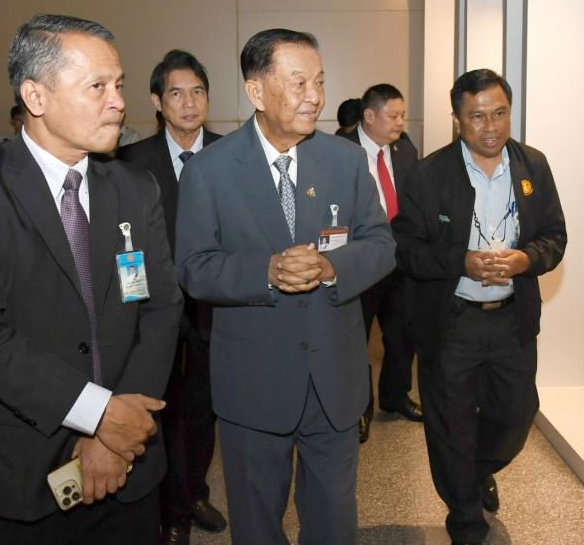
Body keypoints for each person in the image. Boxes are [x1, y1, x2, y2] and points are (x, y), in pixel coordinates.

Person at [0, 13, 183, 544]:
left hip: (129, 469)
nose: (118, 102)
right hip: (15, 474)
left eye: (119, 85)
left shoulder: (136, 189)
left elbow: (160, 309)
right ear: (36, 96)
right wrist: (99, 415)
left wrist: (118, 432)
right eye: (97, 86)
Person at [176, 28, 395, 545]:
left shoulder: (344, 161)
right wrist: (266, 272)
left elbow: (381, 245)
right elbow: (193, 267)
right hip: (253, 385)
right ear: (256, 91)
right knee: (256, 525)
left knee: (334, 524)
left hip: (334, 381)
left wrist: (332, 267)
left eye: (319, 81)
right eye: (299, 83)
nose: (314, 96)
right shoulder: (209, 171)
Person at [392, 69, 566, 545]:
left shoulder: (533, 166)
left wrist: (526, 259)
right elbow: (404, 249)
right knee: (451, 427)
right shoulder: (427, 175)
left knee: (516, 414)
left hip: (512, 318)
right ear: (457, 120)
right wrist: (461, 262)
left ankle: (474, 471)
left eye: (500, 113)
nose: (491, 127)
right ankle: (465, 519)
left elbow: (555, 236)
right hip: (452, 322)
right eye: (477, 116)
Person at [118, 49, 225, 545]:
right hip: (153, 310)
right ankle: (169, 508)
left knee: (205, 408)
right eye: (176, 93)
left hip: (214, 307)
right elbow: (124, 244)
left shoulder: (230, 155)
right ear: (157, 102)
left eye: (197, 91)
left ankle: (195, 492)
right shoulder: (131, 162)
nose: (188, 102)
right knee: (162, 409)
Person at [342, 84, 421, 444]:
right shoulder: (340, 151)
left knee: (403, 333)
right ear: (369, 115)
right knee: (355, 339)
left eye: (403, 115)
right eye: (393, 115)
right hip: (359, 262)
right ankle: (360, 409)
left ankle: (395, 395)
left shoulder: (406, 150)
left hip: (399, 261)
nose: (400, 122)